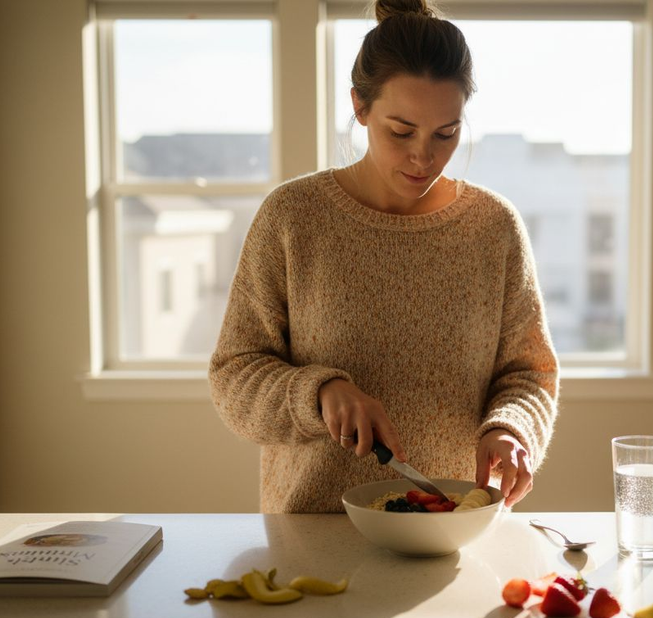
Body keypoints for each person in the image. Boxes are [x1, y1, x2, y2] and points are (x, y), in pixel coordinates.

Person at [208, 0, 558, 513]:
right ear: (360, 106)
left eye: (447, 133)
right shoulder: (292, 218)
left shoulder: (494, 229)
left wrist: (511, 429)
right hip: (313, 540)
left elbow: (528, 374)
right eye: (401, 131)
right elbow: (234, 378)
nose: (424, 156)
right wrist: (319, 392)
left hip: (450, 538)